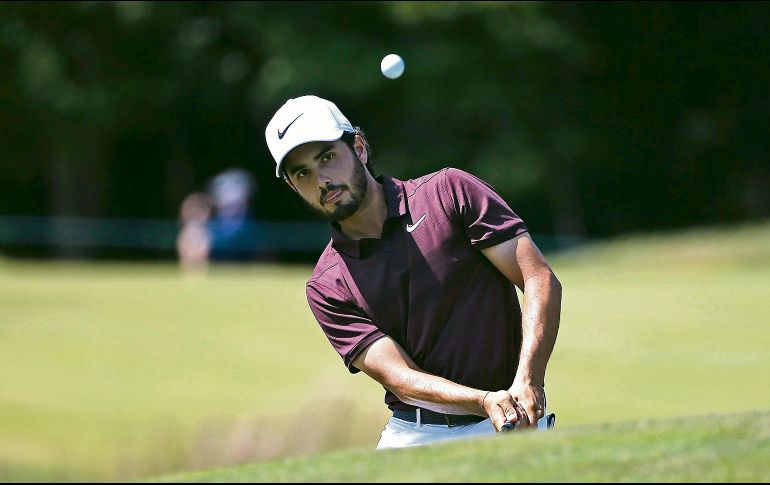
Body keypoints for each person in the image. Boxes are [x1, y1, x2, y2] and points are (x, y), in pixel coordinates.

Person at [264, 95, 562, 449]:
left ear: (358, 147)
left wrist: (529, 379)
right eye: (302, 173)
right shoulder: (327, 285)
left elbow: (538, 278)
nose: (322, 180)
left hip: (511, 419)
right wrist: (483, 400)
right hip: (415, 435)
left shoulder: (448, 192)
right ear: (292, 186)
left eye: (327, 157)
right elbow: (400, 377)